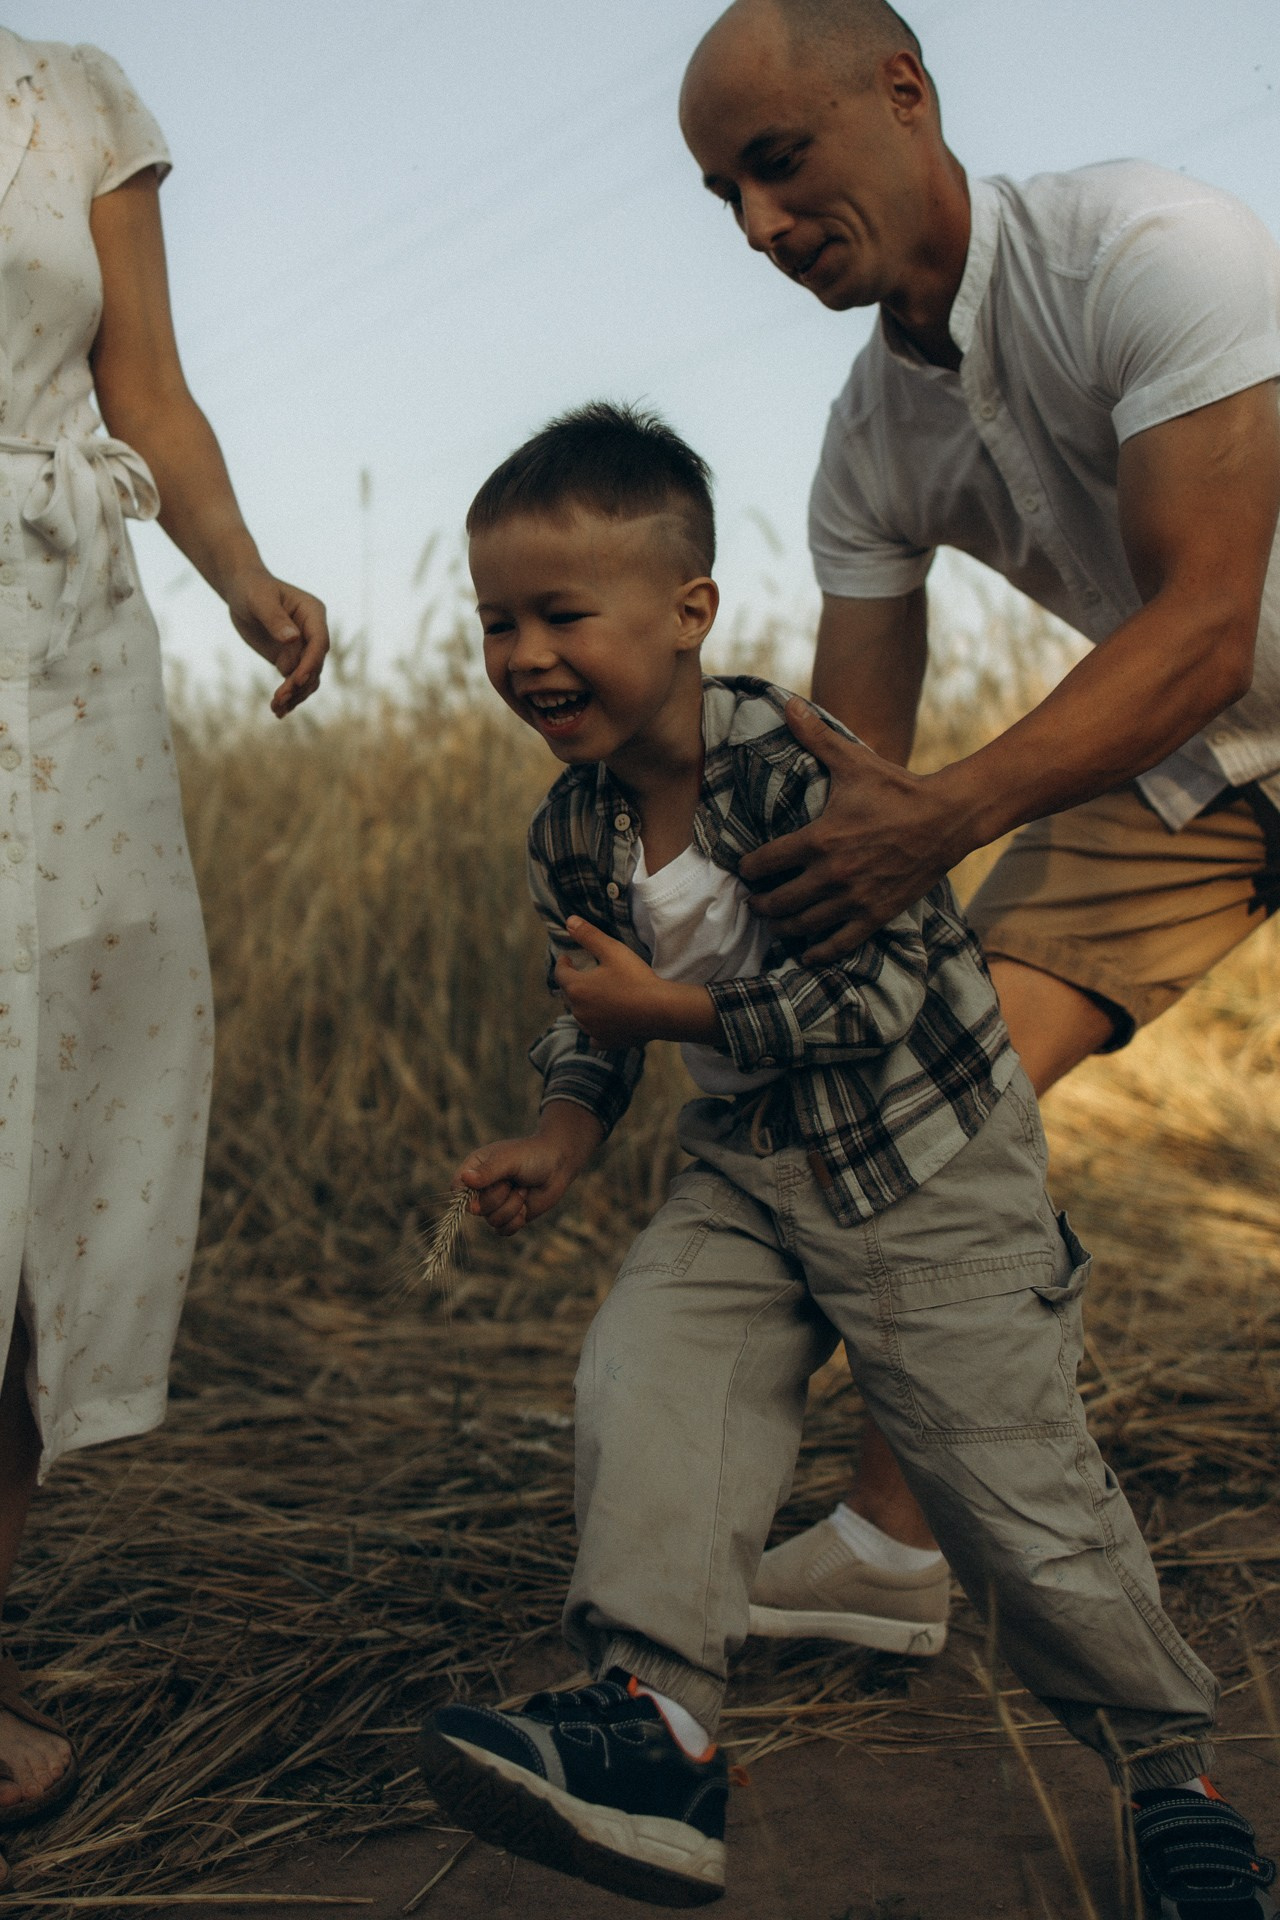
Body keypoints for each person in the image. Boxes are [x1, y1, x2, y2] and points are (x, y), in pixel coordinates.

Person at [415, 403, 1274, 1917]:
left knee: (1017, 1503)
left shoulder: (808, 768)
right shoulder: (573, 828)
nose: (524, 655)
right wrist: (562, 1130)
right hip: (745, 1167)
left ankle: (1171, 1779)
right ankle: (657, 1726)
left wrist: (666, 1005)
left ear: (690, 613)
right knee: (646, 1372)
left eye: (561, 614)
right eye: (496, 623)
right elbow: (593, 1022)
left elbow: (871, 999)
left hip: (926, 1172)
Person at [678, 0, 1280, 1667]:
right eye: (724, 197)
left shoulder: (1155, 248)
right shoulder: (868, 443)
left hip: (1191, 687)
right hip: (1188, 775)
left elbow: (1209, 624)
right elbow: (856, 774)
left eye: (778, 164)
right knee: (934, 1103)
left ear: (905, 92)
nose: (760, 228)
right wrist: (734, 957)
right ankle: (887, 1540)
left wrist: (942, 815)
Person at [0, 31, 328, 1877]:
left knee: (51, 1159)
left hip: (61, 648)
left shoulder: (74, 95)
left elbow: (153, 393)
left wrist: (245, 578)